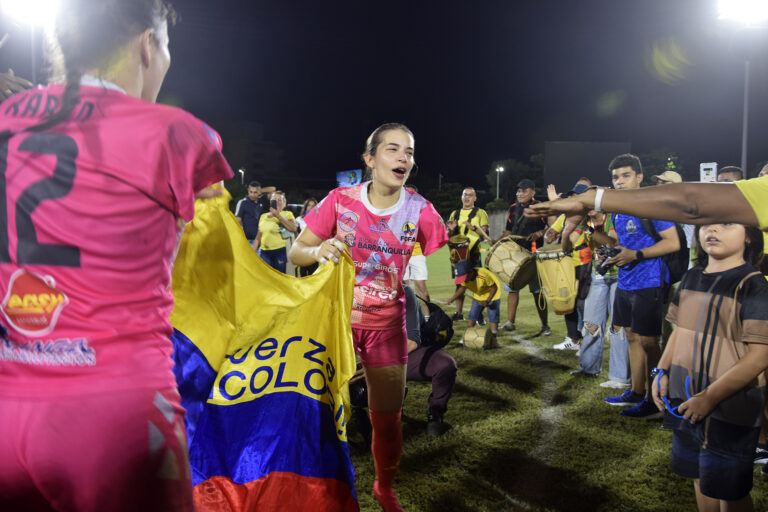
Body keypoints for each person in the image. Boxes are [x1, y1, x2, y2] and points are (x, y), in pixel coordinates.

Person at [0, 1, 234, 510]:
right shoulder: (179, 133)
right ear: (147, 45)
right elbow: (209, 204)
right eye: (166, 46)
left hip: (8, 405)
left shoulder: (5, 119)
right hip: (114, 414)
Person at [288, 123, 447, 511]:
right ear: (370, 160)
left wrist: (469, 274)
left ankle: (384, 486)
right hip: (334, 321)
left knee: (387, 418)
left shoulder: (421, 211)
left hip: (387, 328)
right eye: (393, 150)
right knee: (318, 412)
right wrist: (318, 250)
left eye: (408, 152)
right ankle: (316, 486)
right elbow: (296, 252)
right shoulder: (340, 201)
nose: (403, 158)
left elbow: (445, 260)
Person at [652, 222, 768, 511]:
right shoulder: (691, 277)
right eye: (706, 225)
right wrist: (662, 371)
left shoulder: (753, 283)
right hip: (685, 398)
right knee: (700, 477)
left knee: (729, 489)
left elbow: (760, 355)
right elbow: (679, 330)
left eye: (726, 224)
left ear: (750, 237)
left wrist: (710, 397)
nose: (712, 231)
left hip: (730, 406)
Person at [498, 178, 549, 336]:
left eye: (524, 191)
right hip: (515, 254)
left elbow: (552, 226)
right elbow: (508, 230)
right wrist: (498, 241)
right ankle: (510, 322)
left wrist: (540, 233)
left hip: (533, 256)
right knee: (512, 288)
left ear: (532, 192)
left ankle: (545, 326)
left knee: (537, 291)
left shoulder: (540, 207)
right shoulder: (513, 208)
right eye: (518, 191)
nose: (520, 194)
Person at [403, 285, 457, 436]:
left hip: (401, 354)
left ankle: (435, 412)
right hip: (368, 357)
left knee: (444, 365)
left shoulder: (405, 293)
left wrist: (381, 363)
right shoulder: (354, 293)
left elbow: (412, 342)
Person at [548, 182, 593, 351]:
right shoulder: (565, 216)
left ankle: (588, 341)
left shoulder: (586, 218)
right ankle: (573, 339)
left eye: (576, 196)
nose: (573, 199)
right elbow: (549, 235)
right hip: (566, 265)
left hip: (583, 263)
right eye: (572, 195)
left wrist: (562, 234)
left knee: (583, 304)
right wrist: (551, 233)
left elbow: (571, 241)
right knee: (568, 302)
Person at [445, 187, 489, 321]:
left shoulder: (481, 212)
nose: (467, 197)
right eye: (465, 195)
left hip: (473, 252)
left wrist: (473, 228)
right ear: (461, 197)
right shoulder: (455, 213)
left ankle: (479, 313)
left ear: (475, 198)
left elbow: (485, 233)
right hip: (458, 254)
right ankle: (459, 314)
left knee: (476, 284)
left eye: (470, 195)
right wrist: (451, 230)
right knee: (459, 284)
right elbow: (450, 236)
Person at [445, 263, 501, 349]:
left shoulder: (483, 275)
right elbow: (462, 288)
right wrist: (452, 299)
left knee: (493, 317)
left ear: (471, 272)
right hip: (478, 295)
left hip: (492, 295)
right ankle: (467, 336)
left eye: (464, 278)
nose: (463, 281)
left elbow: (494, 287)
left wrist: (487, 301)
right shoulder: (465, 279)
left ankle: (494, 338)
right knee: (472, 316)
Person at [254, 190, 297, 273]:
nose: (277, 202)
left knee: (279, 276)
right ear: (270, 201)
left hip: (280, 251)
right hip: (264, 252)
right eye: (274, 200)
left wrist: (278, 215)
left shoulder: (287, 214)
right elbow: (258, 237)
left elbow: (293, 228)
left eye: (280, 200)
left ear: (284, 202)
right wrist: (252, 252)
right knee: (266, 275)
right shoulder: (263, 216)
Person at [403, 184, 431, 302]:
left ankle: (428, 317)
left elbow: (429, 230)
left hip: (417, 253)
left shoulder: (422, 212)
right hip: (401, 254)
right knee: (404, 288)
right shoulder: (395, 212)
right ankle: (409, 317)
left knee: (421, 287)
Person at [295, 197, 319, 276]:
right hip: (303, 251)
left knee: (313, 275)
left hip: (313, 250)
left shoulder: (319, 219)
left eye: (313, 206)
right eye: (309, 205)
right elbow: (295, 232)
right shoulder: (299, 219)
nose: (311, 207)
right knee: (303, 274)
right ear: (305, 207)